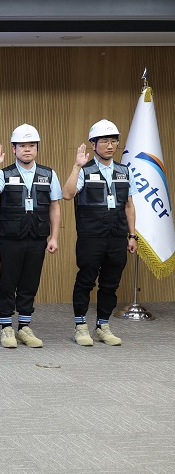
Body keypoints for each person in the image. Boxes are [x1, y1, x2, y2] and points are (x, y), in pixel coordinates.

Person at [0, 124, 62, 348]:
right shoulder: (3, 173)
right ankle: (6, 327)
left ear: (37, 148)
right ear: (14, 148)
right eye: (22, 146)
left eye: (31, 146)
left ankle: (24, 326)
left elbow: (55, 207)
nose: (27, 150)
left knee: (30, 282)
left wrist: (54, 237)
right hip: (11, 238)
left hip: (38, 237)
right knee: (8, 282)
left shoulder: (48, 174)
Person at [62, 119, 136, 347]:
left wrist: (132, 235)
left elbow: (129, 206)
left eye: (114, 141)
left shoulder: (124, 171)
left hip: (117, 236)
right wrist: (76, 167)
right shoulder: (85, 170)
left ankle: (103, 325)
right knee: (86, 281)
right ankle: (81, 326)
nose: (110, 146)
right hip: (91, 237)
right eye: (105, 141)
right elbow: (67, 194)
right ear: (94, 144)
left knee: (110, 283)